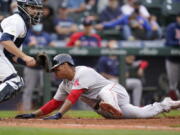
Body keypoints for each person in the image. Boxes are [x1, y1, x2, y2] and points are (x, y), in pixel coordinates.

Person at [15, 53, 180, 120]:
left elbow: (73, 97)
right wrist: (33, 114)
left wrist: (59, 115)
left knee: (104, 92)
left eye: (56, 68)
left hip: (115, 92)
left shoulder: (83, 72)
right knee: (141, 114)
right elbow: (54, 103)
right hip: (103, 108)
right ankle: (166, 104)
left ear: (66, 65)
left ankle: (111, 105)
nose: (54, 72)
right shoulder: (64, 85)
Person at [0, 0, 43, 103]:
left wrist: (34, 62)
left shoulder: (22, 23)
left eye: (37, 8)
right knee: (15, 81)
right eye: (32, 8)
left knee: (17, 81)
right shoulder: (17, 20)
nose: (36, 11)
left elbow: (13, 56)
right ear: (23, 7)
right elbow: (5, 40)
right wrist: (25, 57)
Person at [22, 23, 55, 111]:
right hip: (31, 67)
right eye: (36, 24)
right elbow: (20, 48)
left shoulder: (46, 35)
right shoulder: (27, 34)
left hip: (43, 68)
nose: (38, 25)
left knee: (44, 90)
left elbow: (53, 46)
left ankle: (42, 109)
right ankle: (26, 109)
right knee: (28, 90)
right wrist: (29, 46)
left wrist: (51, 45)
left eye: (40, 23)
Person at [165, 13, 180, 100]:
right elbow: (168, 42)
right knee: (173, 85)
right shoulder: (172, 27)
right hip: (172, 60)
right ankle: (173, 104)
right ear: (177, 18)